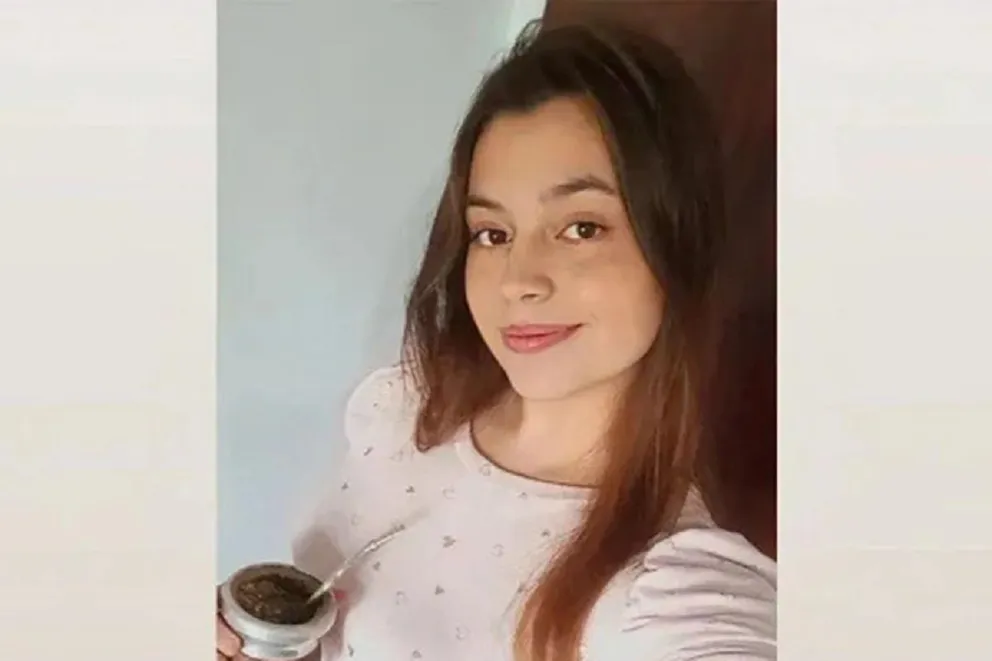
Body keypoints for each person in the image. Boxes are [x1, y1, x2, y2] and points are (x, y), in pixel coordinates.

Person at [217, 19, 775, 661]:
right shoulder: (401, 411)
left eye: (581, 228)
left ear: (676, 244)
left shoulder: (674, 592)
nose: (519, 281)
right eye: (493, 233)